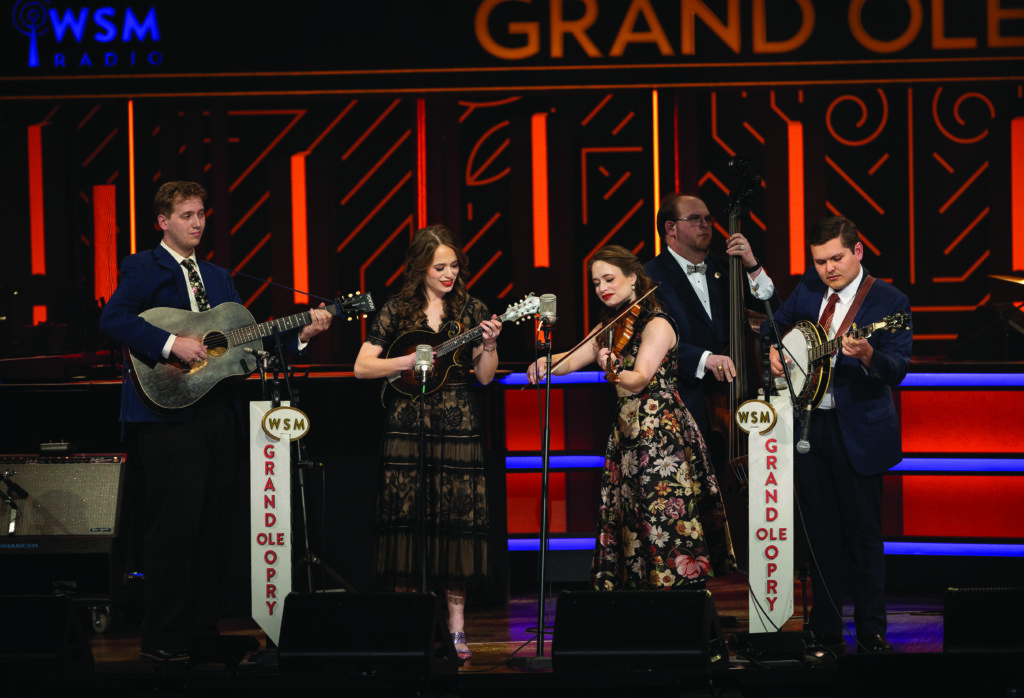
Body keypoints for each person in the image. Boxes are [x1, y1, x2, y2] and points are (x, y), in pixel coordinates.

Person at [100, 181, 332, 662]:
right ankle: (162, 637)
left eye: (201, 213)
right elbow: (115, 318)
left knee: (211, 524)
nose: (197, 222)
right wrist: (170, 345)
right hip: (164, 412)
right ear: (163, 221)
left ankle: (202, 632)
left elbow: (245, 343)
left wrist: (301, 335)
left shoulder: (219, 276)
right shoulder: (144, 267)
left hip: (214, 411)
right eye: (187, 215)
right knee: (174, 526)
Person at [528, 245, 735, 590]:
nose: (602, 288)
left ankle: (676, 600)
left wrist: (613, 369)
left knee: (663, 517)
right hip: (627, 433)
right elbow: (573, 357)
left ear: (634, 278)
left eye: (609, 279)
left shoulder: (657, 323)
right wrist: (545, 363)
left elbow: (638, 377)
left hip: (659, 435)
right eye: (596, 283)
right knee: (631, 520)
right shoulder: (612, 325)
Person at [763, 215, 912, 654]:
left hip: (860, 434)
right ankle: (825, 629)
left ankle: (872, 631)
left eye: (836, 258)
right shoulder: (808, 291)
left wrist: (868, 355)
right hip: (811, 428)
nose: (828, 269)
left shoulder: (889, 300)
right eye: (819, 261)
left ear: (858, 251)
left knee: (863, 535)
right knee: (820, 536)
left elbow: (898, 368)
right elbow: (771, 327)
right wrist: (771, 351)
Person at [354, 225, 502, 661]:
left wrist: (489, 345)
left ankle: (456, 627)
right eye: (440, 266)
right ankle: (406, 623)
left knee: (456, 523)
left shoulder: (472, 309)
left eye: (454, 266)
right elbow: (362, 367)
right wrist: (409, 359)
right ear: (420, 266)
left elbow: (485, 376)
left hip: (457, 422)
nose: (449, 273)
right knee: (407, 519)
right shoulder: (398, 310)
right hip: (408, 420)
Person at [645, 193, 780, 446]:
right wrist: (703, 359)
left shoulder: (729, 268)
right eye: (695, 219)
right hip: (681, 407)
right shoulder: (648, 278)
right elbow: (645, 343)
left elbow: (774, 314)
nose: (705, 224)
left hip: (736, 405)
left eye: (708, 219)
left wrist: (752, 265)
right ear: (670, 228)